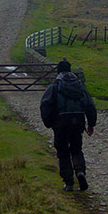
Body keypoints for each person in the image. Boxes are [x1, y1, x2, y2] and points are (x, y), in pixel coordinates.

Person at [40, 58, 97, 191]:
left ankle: (69, 182)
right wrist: (91, 123)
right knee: (77, 148)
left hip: (61, 122)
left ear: (58, 71)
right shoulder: (79, 86)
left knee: (63, 151)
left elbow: (45, 104)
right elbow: (89, 104)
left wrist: (48, 122)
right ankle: (80, 171)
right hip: (78, 120)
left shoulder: (55, 85)